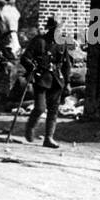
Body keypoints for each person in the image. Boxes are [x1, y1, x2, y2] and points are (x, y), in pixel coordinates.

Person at [21, 16, 72, 149]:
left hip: (57, 80)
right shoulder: (39, 41)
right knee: (40, 107)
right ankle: (30, 127)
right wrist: (31, 67)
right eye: (55, 29)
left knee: (54, 110)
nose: (57, 31)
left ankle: (49, 138)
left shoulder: (62, 43)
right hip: (41, 78)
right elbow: (25, 58)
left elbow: (66, 65)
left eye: (59, 28)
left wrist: (67, 83)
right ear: (49, 29)